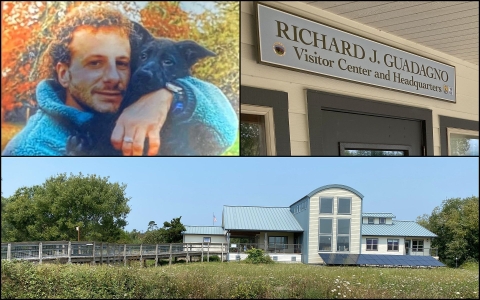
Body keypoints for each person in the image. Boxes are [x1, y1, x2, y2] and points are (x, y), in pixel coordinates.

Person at [2, 5, 237, 156]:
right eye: (95, 63)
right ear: (64, 73)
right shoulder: (31, 149)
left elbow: (227, 130)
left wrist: (171, 95)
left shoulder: (139, 99)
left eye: (123, 63)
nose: (114, 78)